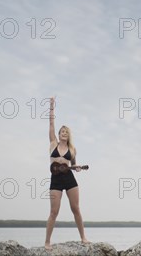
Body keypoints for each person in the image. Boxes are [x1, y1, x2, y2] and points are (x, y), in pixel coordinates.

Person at [44, 96, 90, 250]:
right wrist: (51, 107)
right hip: (55, 180)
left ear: (69, 135)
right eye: (61, 131)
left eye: (66, 132)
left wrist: (77, 167)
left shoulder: (72, 149)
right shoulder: (53, 143)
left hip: (69, 179)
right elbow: (51, 123)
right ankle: (47, 242)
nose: (64, 133)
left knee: (76, 209)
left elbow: (74, 164)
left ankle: (83, 237)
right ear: (58, 134)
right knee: (53, 211)